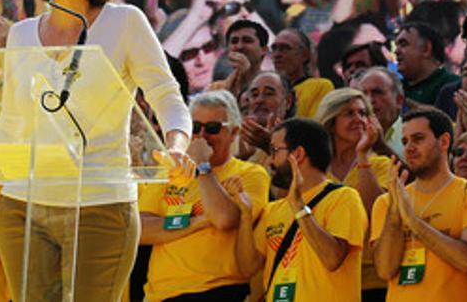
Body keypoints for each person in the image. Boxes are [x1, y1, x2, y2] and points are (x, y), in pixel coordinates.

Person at [0, 0, 193, 302]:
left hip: (100, 203)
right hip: (23, 203)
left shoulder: (124, 22)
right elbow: (11, 124)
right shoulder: (20, 34)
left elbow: (167, 96)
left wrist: (177, 146)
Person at [138, 90, 269, 301]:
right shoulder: (171, 172)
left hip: (218, 290)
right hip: (160, 294)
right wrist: (200, 221)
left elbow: (224, 219)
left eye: (213, 128)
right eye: (196, 127)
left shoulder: (251, 174)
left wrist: (203, 167)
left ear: (234, 132)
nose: (202, 136)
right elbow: (141, 230)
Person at [230, 118, 368, 301]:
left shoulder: (343, 197)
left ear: (299, 154)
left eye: (275, 151)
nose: (270, 160)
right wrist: (246, 218)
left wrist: (299, 206)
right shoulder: (273, 210)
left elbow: (332, 258)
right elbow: (248, 267)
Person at [372, 108, 467, 300]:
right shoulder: (386, 202)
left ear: (444, 141)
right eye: (405, 141)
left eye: (418, 138)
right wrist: (396, 214)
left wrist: (413, 222)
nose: (409, 148)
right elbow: (385, 270)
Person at [315, 88, 391, 299]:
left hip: (372, 281)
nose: (359, 119)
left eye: (363, 113)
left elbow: (375, 211)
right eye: (349, 113)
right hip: (324, 279)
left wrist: (362, 156)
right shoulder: (315, 169)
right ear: (331, 121)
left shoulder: (380, 165)